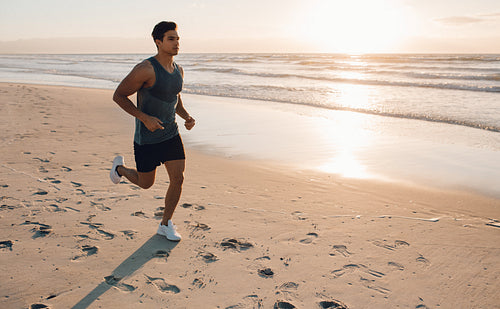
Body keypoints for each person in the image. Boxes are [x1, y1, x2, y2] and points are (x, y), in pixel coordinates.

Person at [110, 21, 195, 241]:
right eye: (171, 39)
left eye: (178, 38)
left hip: (171, 134)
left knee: (178, 178)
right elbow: (119, 95)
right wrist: (144, 118)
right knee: (146, 183)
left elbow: (174, 99)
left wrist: (186, 116)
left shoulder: (179, 71)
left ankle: (165, 224)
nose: (176, 43)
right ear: (158, 42)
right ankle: (119, 169)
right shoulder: (145, 69)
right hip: (147, 139)